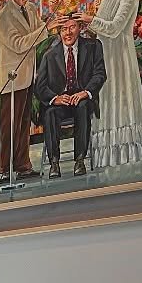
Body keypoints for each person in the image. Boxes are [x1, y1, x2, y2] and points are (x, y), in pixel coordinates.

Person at [77, 0, 142, 169]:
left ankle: (126, 151)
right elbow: (99, 27)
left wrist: (90, 20)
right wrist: (82, 25)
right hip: (103, 55)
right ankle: (107, 155)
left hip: (119, 55)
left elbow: (114, 28)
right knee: (107, 98)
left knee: (122, 96)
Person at [34, 17, 107, 178]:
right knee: (50, 112)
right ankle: (54, 162)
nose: (68, 33)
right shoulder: (50, 55)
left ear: (80, 28)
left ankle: (80, 160)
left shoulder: (93, 47)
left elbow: (100, 74)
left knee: (82, 108)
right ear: (59, 32)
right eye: (63, 29)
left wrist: (85, 92)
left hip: (81, 97)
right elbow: (39, 86)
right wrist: (55, 98)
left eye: (72, 27)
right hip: (60, 101)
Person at [0, 0, 46, 184]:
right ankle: (5, 169)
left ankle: (23, 166)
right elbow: (19, 44)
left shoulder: (31, 9)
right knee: (10, 125)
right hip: (12, 79)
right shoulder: (4, 17)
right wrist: (45, 29)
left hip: (28, 75)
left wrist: (49, 25)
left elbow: (38, 30)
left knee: (24, 123)